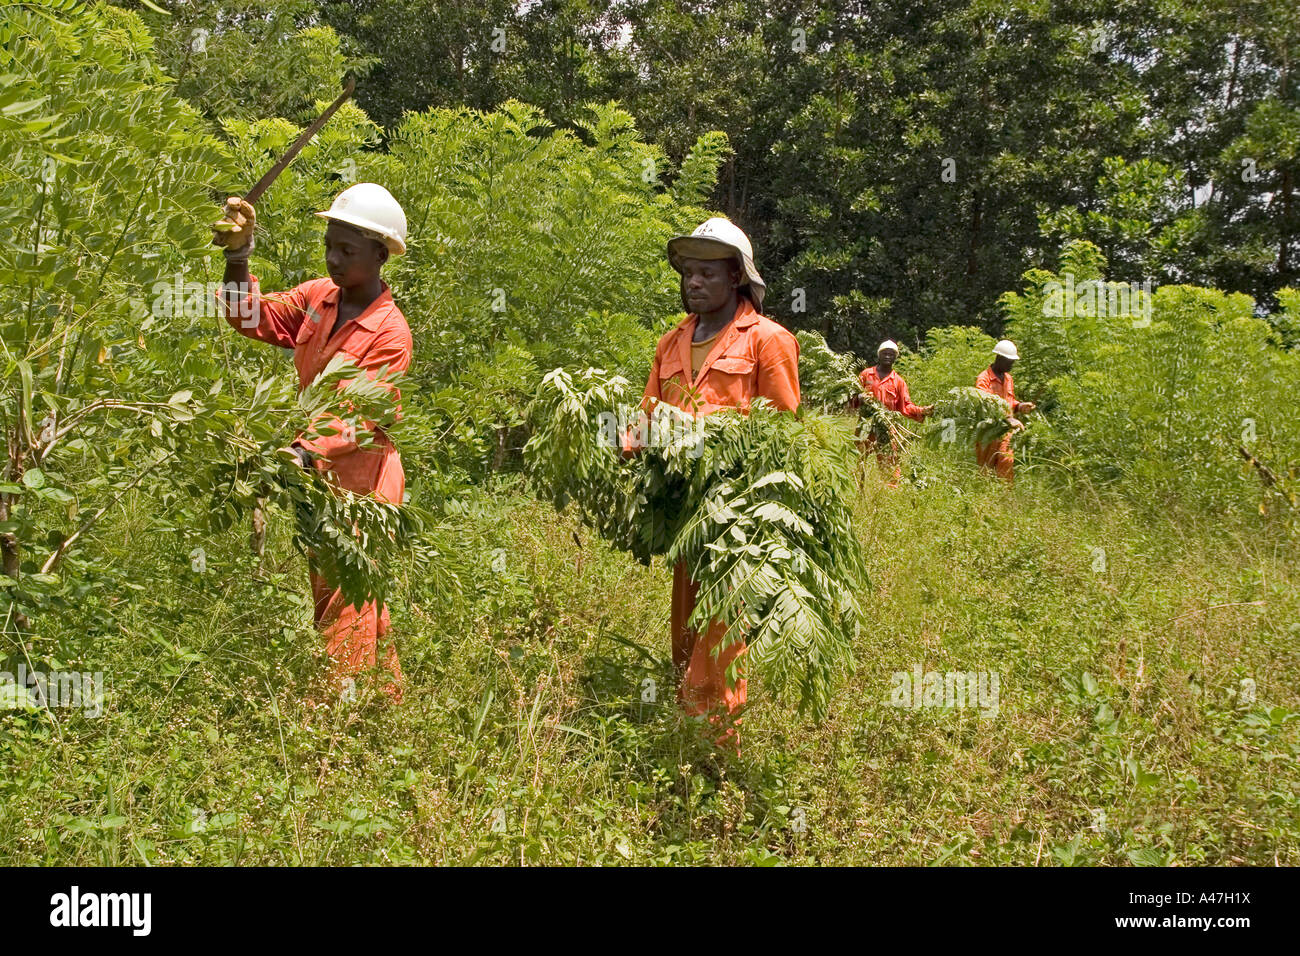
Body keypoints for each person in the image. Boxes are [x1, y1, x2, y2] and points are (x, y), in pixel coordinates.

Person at [212, 183, 413, 703]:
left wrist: (301, 453)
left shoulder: (390, 334)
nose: (333, 258)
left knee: (347, 595)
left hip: (361, 481)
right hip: (316, 475)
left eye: (347, 250)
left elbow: (359, 415)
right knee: (344, 591)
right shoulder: (317, 298)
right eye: (330, 245)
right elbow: (249, 317)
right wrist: (239, 256)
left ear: (379, 254)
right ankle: (383, 702)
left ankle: (337, 720)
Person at [630, 217, 800, 748]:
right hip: (685, 510)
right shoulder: (672, 341)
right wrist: (629, 439)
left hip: (739, 515)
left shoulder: (769, 340)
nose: (693, 282)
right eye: (688, 273)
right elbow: (648, 414)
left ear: (736, 279)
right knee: (686, 623)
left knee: (722, 630)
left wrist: (706, 435)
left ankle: (713, 747)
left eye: (707, 273)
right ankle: (688, 720)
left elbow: (784, 431)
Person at [855, 339, 933, 486]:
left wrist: (923, 411)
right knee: (858, 462)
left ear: (895, 357)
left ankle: (889, 493)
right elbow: (851, 398)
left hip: (887, 429)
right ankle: (857, 492)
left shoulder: (898, 381)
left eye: (891, 354)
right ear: (879, 355)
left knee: (889, 466)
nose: (888, 356)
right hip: (865, 426)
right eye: (885, 353)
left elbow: (906, 406)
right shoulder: (866, 375)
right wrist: (859, 397)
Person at [974, 339, 1035, 483]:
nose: (1012, 365)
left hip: (1005, 432)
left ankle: (1004, 496)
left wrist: (1020, 406)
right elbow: (985, 405)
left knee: (1006, 463)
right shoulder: (984, 379)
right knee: (985, 471)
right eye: (1009, 361)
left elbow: (1010, 402)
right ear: (1000, 358)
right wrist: (1008, 418)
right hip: (987, 432)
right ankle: (984, 499)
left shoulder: (1008, 379)